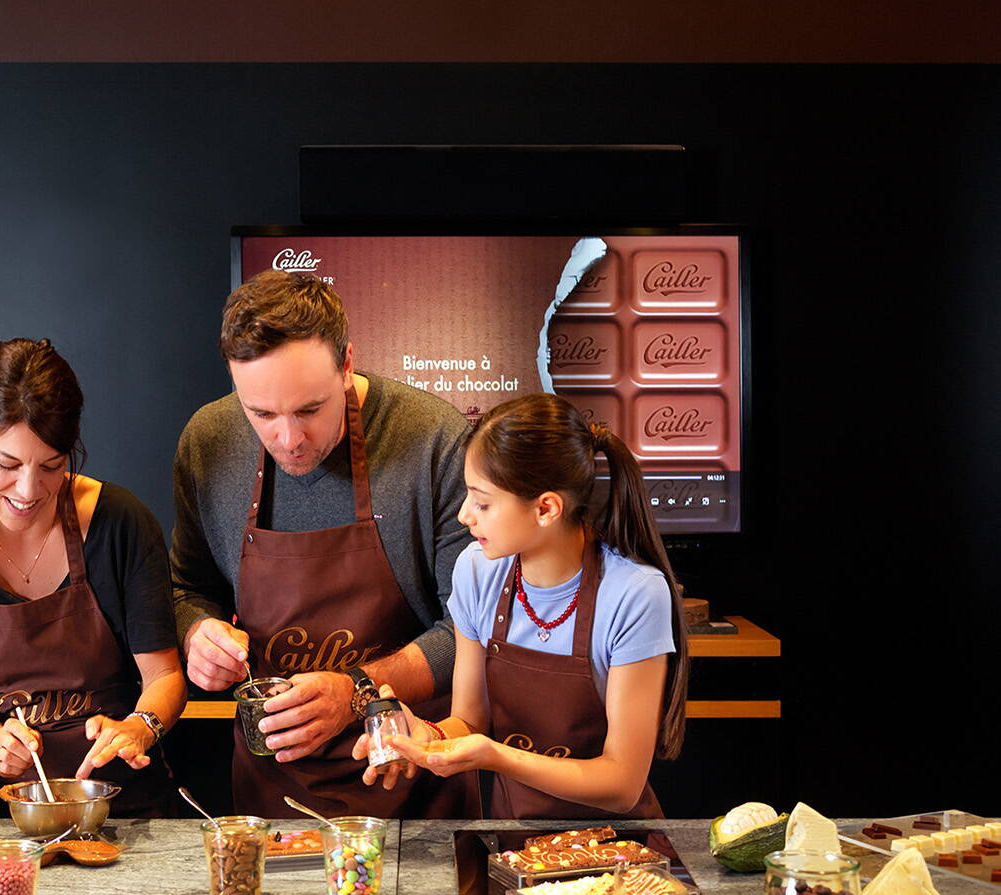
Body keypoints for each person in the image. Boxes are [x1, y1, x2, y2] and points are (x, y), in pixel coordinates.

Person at [171, 270, 479, 818]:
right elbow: (188, 588)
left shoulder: (432, 440)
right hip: (273, 791)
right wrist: (197, 632)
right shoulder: (208, 441)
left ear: (347, 364)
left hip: (411, 778)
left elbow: (473, 630)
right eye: (261, 414)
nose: (288, 440)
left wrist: (357, 689)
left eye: (309, 410)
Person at [356, 392, 689, 818]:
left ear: (546, 508)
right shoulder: (477, 572)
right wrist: (426, 735)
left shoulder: (635, 594)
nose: (464, 516)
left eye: (483, 502)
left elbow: (622, 784)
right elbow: (470, 721)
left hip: (617, 856)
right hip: (510, 848)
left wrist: (496, 756)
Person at [0, 338, 187, 817]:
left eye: (52, 465)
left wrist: (138, 726)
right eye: (6, 465)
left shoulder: (121, 523)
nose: (29, 490)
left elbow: (165, 677)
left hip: (125, 812)